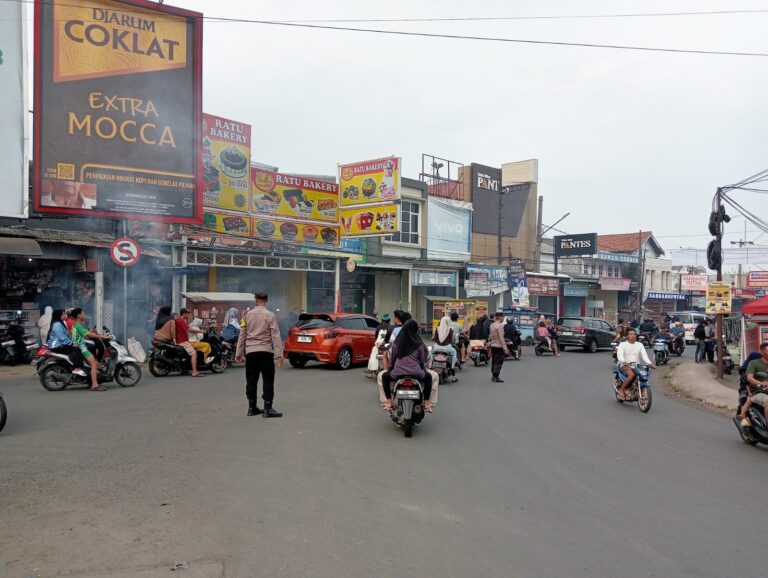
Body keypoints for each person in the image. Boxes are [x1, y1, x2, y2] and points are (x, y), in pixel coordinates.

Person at [235, 292, 283, 418]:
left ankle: (252, 408)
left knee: (251, 380)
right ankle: (267, 408)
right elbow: (275, 336)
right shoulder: (270, 315)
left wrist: (239, 353)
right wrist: (279, 354)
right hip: (266, 352)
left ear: (256, 300)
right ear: (266, 301)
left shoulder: (247, 315)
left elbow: (242, 335)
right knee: (268, 380)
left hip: (251, 353)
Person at [380, 319, 434, 412]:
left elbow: (392, 360)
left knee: (384, 377)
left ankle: (389, 401)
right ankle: (426, 402)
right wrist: (424, 371)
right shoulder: (419, 344)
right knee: (428, 377)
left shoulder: (396, 343)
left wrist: (390, 370)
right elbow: (422, 361)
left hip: (397, 373)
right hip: (416, 373)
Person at [71, 308, 110, 391]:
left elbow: (88, 332)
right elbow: (89, 334)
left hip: (80, 347)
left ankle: (92, 380)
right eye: (83, 313)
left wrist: (94, 332)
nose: (84, 315)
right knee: (94, 364)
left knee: (97, 364)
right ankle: (94, 385)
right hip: (82, 348)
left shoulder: (77, 325)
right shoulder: (78, 326)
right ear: (79, 315)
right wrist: (104, 337)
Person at [616, 328, 656, 400]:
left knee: (643, 374)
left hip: (636, 365)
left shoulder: (640, 345)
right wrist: (623, 361)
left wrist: (650, 363)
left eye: (634, 334)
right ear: (627, 336)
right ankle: (621, 390)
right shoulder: (622, 344)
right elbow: (620, 355)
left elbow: (644, 356)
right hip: (624, 364)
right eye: (631, 334)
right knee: (631, 375)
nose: (633, 336)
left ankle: (635, 388)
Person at [46, 308, 87, 377]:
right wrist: (72, 344)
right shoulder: (57, 325)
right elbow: (62, 338)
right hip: (57, 346)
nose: (65, 315)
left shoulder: (59, 323)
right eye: (63, 313)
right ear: (59, 315)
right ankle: (77, 368)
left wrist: (72, 342)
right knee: (77, 349)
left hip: (59, 345)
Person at [738, 342, 768, 427]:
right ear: (762, 352)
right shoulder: (754, 363)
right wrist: (761, 383)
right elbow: (749, 378)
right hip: (759, 391)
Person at [176, 308, 209, 376]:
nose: (188, 315)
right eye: (187, 313)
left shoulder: (181, 321)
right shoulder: (180, 321)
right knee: (193, 354)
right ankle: (194, 372)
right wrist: (201, 331)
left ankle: (185, 369)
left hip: (185, 340)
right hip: (182, 341)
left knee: (195, 350)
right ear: (184, 313)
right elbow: (190, 330)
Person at [489, 311, 510, 382]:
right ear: (500, 317)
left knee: (494, 361)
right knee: (499, 362)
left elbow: (490, 336)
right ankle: (496, 377)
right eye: (503, 317)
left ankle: (493, 376)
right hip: (498, 346)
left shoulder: (492, 325)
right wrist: (505, 348)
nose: (503, 318)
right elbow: (501, 338)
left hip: (493, 346)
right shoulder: (500, 326)